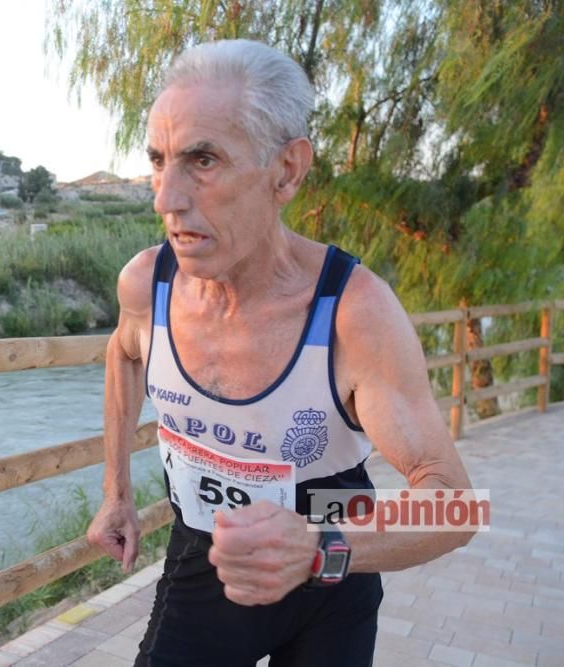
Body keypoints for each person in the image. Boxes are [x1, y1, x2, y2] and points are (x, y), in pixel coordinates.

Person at [86, 39, 476, 666]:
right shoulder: (146, 284)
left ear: (287, 171)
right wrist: (116, 491)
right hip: (208, 555)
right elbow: (125, 356)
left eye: (203, 160)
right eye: (159, 161)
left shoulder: (353, 313)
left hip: (332, 562)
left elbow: (453, 505)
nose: (164, 199)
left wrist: (319, 546)